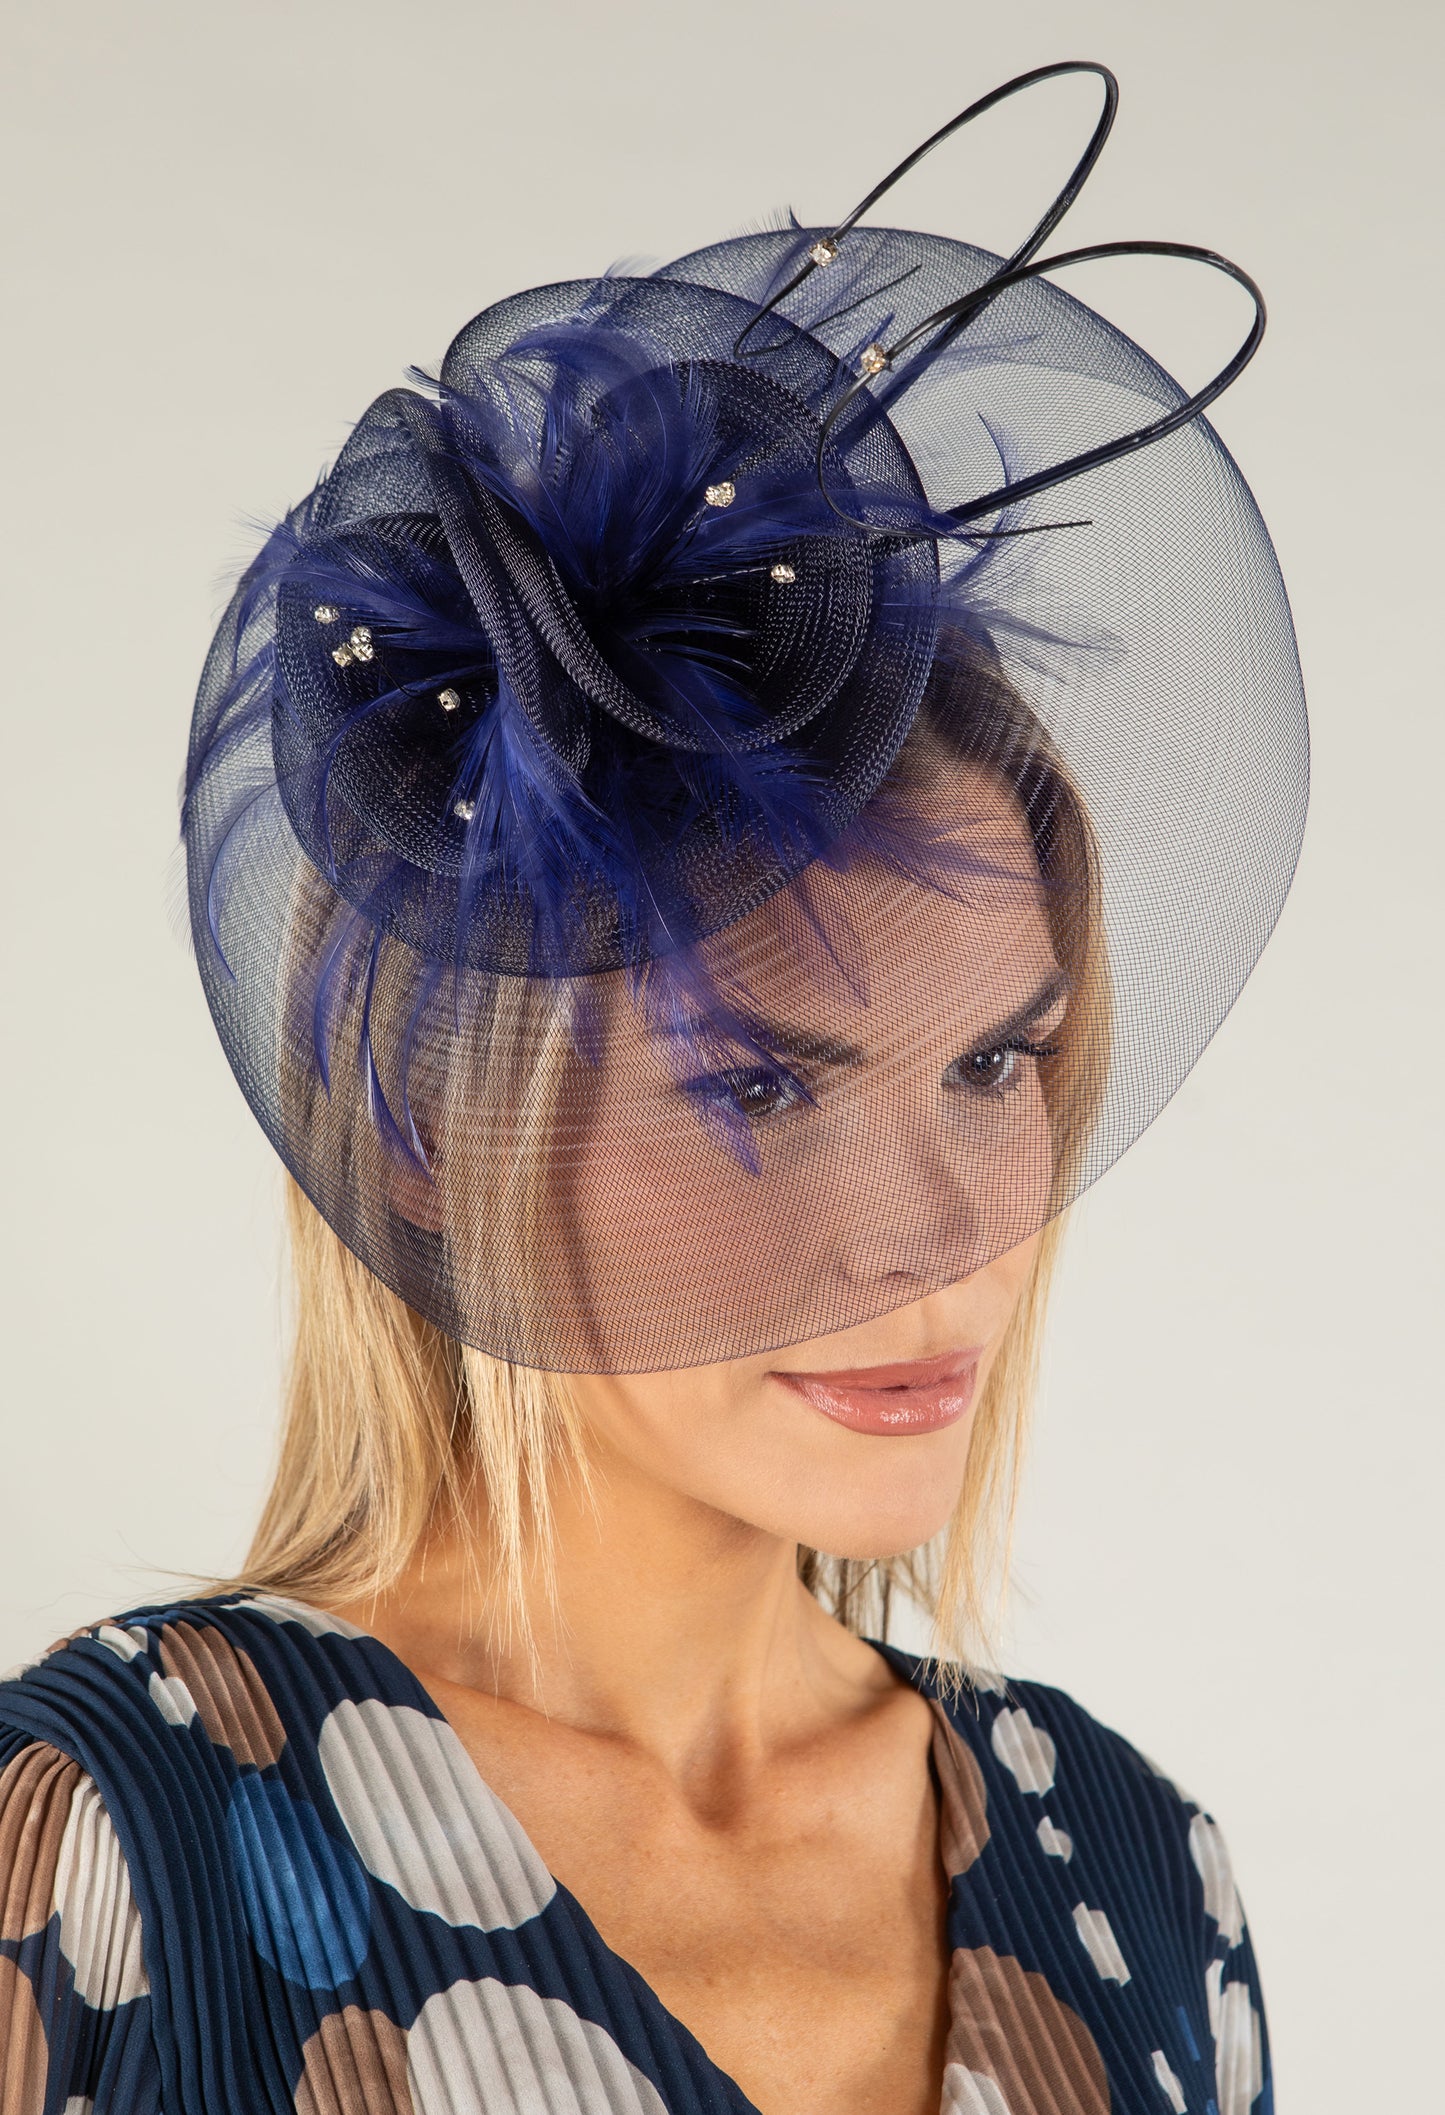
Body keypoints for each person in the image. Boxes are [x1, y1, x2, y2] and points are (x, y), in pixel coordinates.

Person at [0, 63, 1305, 2115]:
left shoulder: (1135, 1871)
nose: (942, 1234)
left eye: (996, 1061)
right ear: (438, 1127)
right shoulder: (121, 1844)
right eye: (764, 1086)